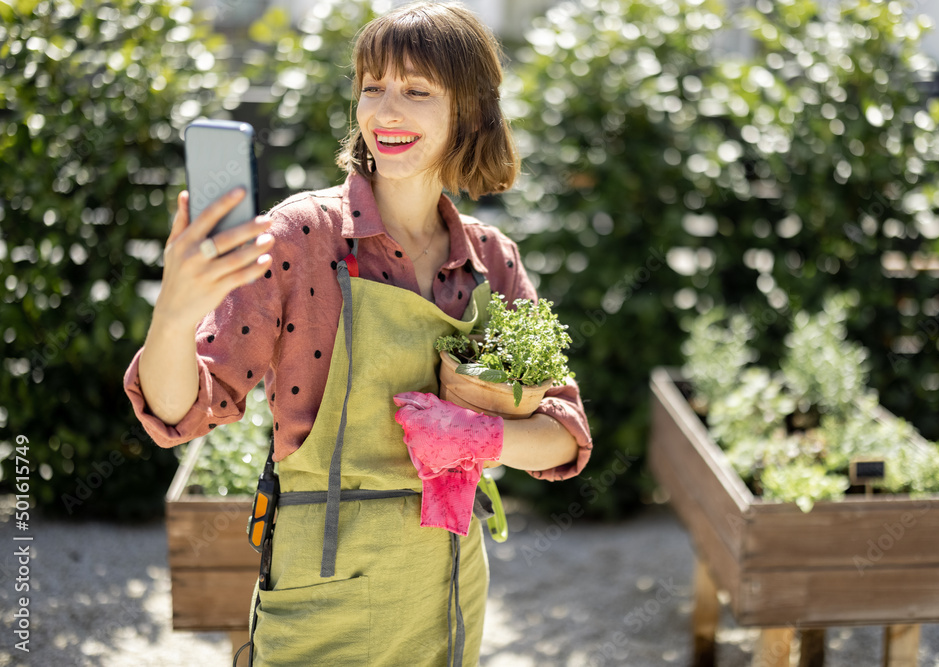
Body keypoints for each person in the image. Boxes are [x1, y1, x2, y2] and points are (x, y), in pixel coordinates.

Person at [123, 2, 592, 665]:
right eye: (373, 86)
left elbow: (562, 435)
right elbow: (185, 409)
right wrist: (173, 312)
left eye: (417, 91)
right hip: (322, 595)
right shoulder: (300, 238)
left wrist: (482, 436)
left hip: (449, 593)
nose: (385, 111)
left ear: (469, 111)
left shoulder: (490, 259)